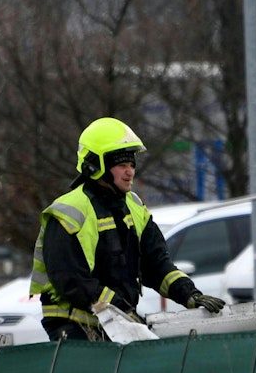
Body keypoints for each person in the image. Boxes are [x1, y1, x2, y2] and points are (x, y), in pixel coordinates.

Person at [29, 117, 228, 341]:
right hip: (74, 327)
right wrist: (122, 310)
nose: (130, 172)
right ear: (96, 165)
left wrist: (190, 295)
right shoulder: (69, 211)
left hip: (117, 323)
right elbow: (73, 282)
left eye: (132, 164)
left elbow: (157, 265)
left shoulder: (133, 206)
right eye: (122, 165)